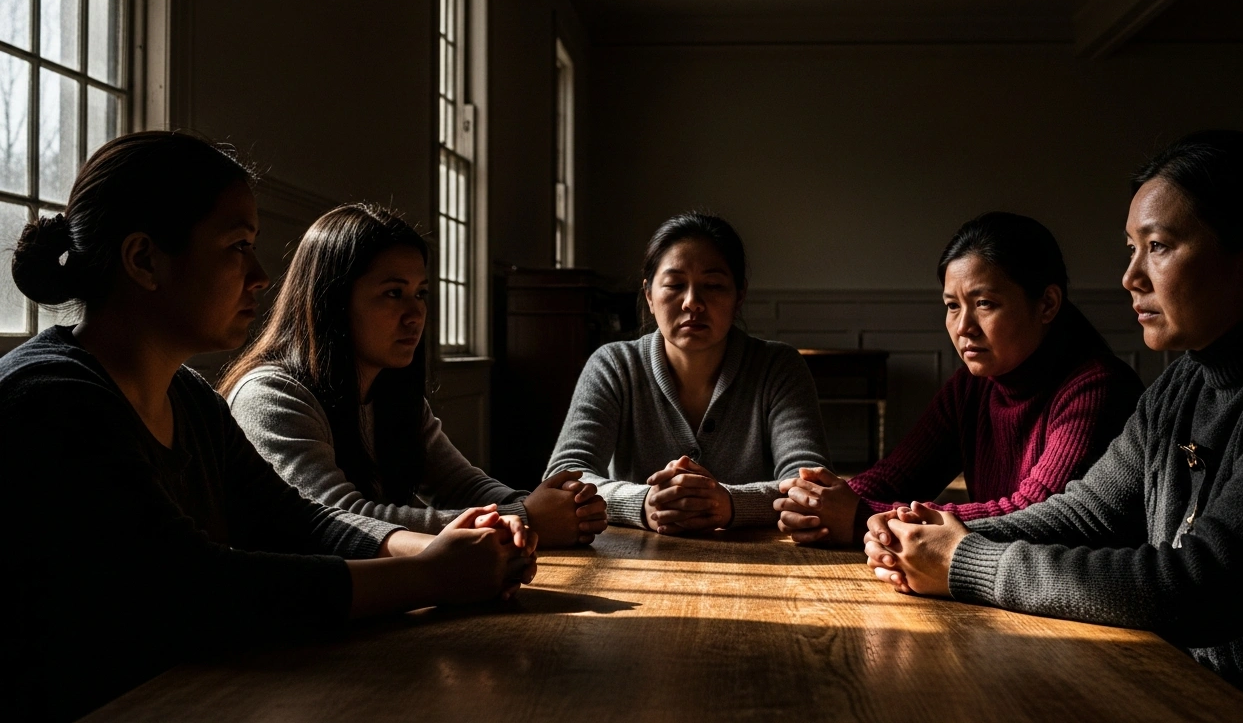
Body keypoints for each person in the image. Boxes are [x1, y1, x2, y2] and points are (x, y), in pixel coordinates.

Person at [863, 131, 1243, 720]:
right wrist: (932, 533)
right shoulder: (1182, 384)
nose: (1130, 278)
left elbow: (1200, 586)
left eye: (1160, 246)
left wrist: (966, 562)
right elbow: (1085, 513)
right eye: (1130, 249)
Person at [3, 132, 537, 722]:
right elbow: (196, 589)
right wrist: (430, 577)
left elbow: (296, 520)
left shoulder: (188, 396)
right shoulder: (51, 398)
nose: (259, 275)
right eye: (237, 247)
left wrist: (442, 549)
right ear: (144, 260)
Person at [219, 204, 607, 547]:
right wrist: (523, 517)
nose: (415, 314)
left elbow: (460, 485)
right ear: (332, 300)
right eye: (393, 293)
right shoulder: (270, 395)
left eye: (420, 293)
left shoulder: (391, 390)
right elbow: (339, 518)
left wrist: (556, 505)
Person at [774, 213, 1143, 545]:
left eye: (984, 304)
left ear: (1047, 303)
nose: (963, 327)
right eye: (952, 306)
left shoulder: (1098, 388)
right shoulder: (972, 386)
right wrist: (822, 501)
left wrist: (861, 517)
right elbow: (895, 476)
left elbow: (1034, 513)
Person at [545, 212, 830, 534]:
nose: (693, 302)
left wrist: (730, 504)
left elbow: (812, 484)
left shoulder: (778, 367)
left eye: (713, 285)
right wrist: (643, 503)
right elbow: (565, 475)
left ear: (739, 296)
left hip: (759, 558)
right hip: (631, 559)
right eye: (675, 285)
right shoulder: (614, 365)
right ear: (650, 295)